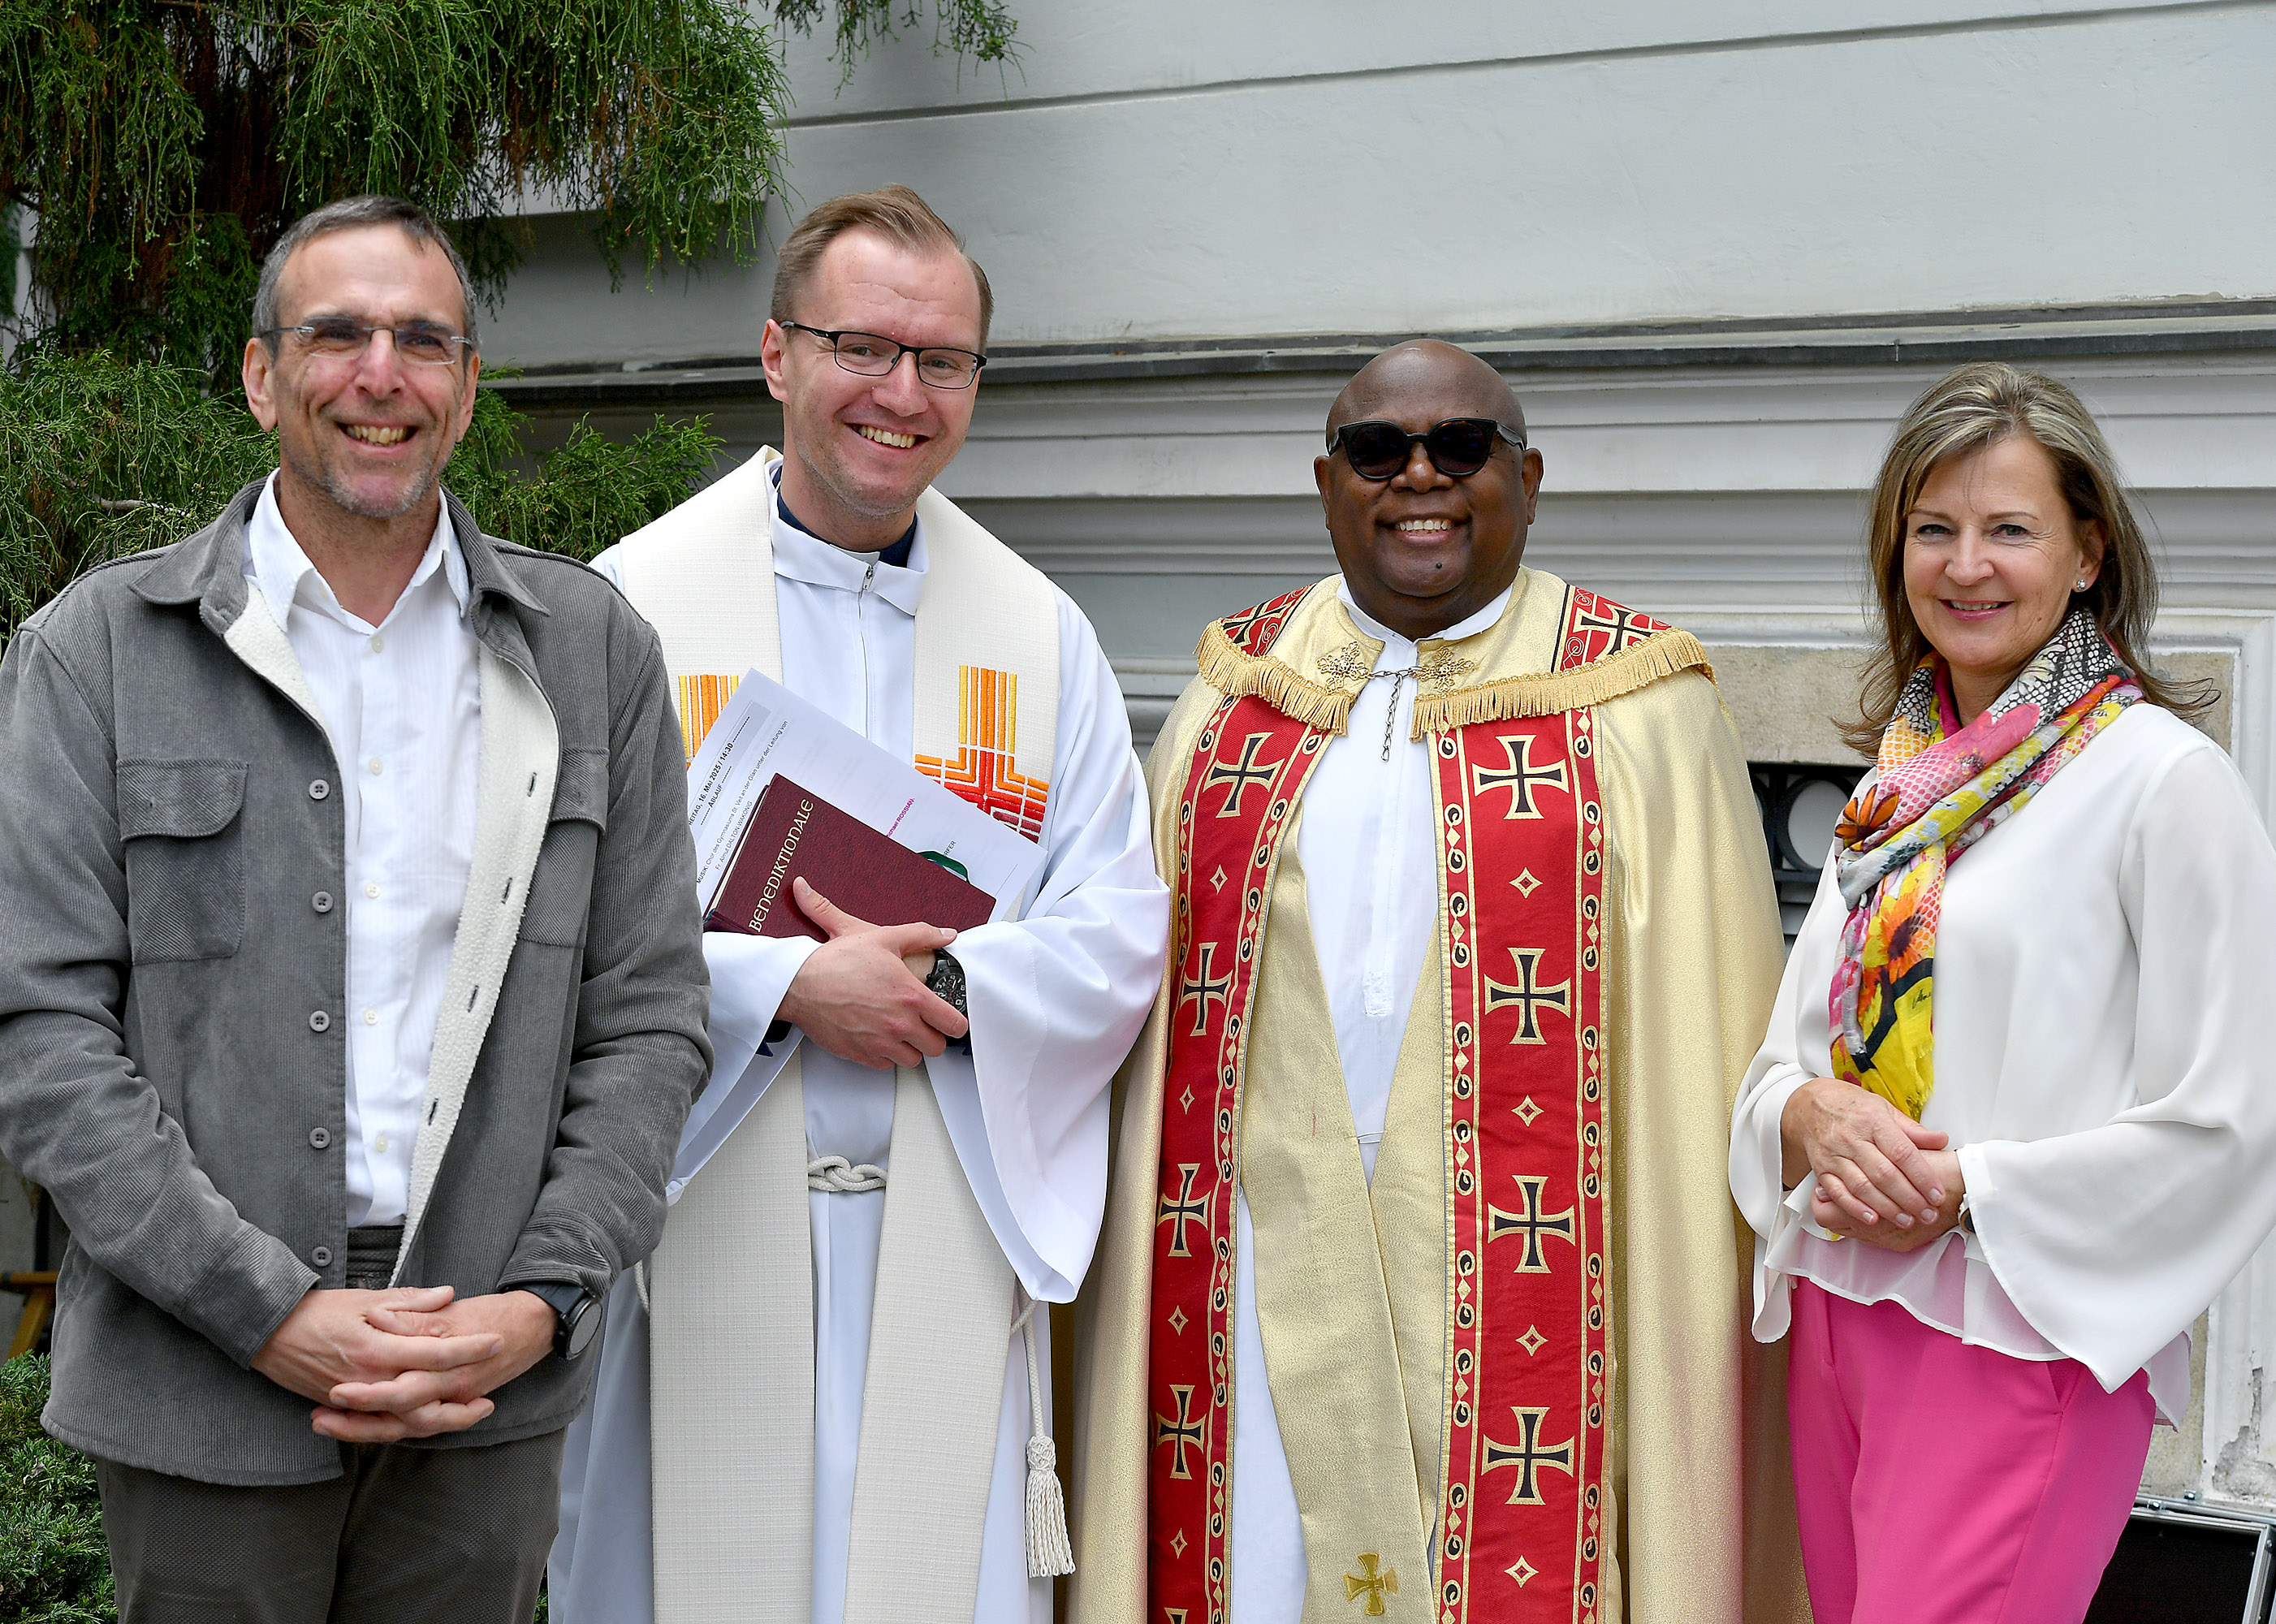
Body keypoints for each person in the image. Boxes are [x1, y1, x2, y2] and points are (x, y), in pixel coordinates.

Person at [0, 195, 711, 1622]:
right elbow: (42, 1032)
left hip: (482, 1391)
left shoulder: (591, 654)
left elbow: (648, 1017)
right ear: (265, 378)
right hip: (201, 1393)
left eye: (423, 341)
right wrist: (266, 1310)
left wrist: (541, 1303)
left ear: (462, 389)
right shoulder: (99, 655)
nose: (380, 373)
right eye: (338, 334)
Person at [1069, 339, 1807, 1624]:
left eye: (1462, 448)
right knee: (1255, 1560)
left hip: (1538, 1248)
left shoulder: (1640, 701)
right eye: (1379, 451)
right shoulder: (1236, 694)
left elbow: (1703, 1053)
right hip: (1250, 1243)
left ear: (1528, 478)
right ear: (1326, 482)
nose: (1422, 477)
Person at [548, 185, 1169, 1624]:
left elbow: (1117, 924)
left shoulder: (1041, 634)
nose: (902, 394)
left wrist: (945, 996)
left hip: (948, 1218)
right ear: (777, 356)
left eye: (942, 360)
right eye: (862, 348)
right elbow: (543, 918)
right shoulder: (628, 605)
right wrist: (783, 989)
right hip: (694, 1217)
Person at [1729, 361, 2276, 1624]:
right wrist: (1805, 1123)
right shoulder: (1898, 786)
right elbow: (1784, 1063)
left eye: (2009, 529)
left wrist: (1969, 1192)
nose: (1967, 565)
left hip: (2023, 1331)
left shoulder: (2165, 784)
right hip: (1837, 1314)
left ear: (2089, 550)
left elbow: (2234, 1116)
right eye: (1936, 529)